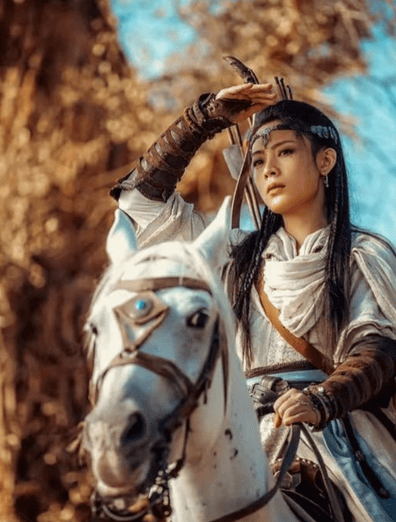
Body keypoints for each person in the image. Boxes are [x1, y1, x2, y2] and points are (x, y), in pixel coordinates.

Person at [109, 82, 396, 521]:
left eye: (285, 152)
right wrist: (202, 120)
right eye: (258, 160)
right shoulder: (232, 257)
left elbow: (378, 351)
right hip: (239, 437)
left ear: (325, 160)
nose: (269, 170)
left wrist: (322, 400)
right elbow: (140, 203)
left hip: (340, 443)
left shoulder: (361, 255)